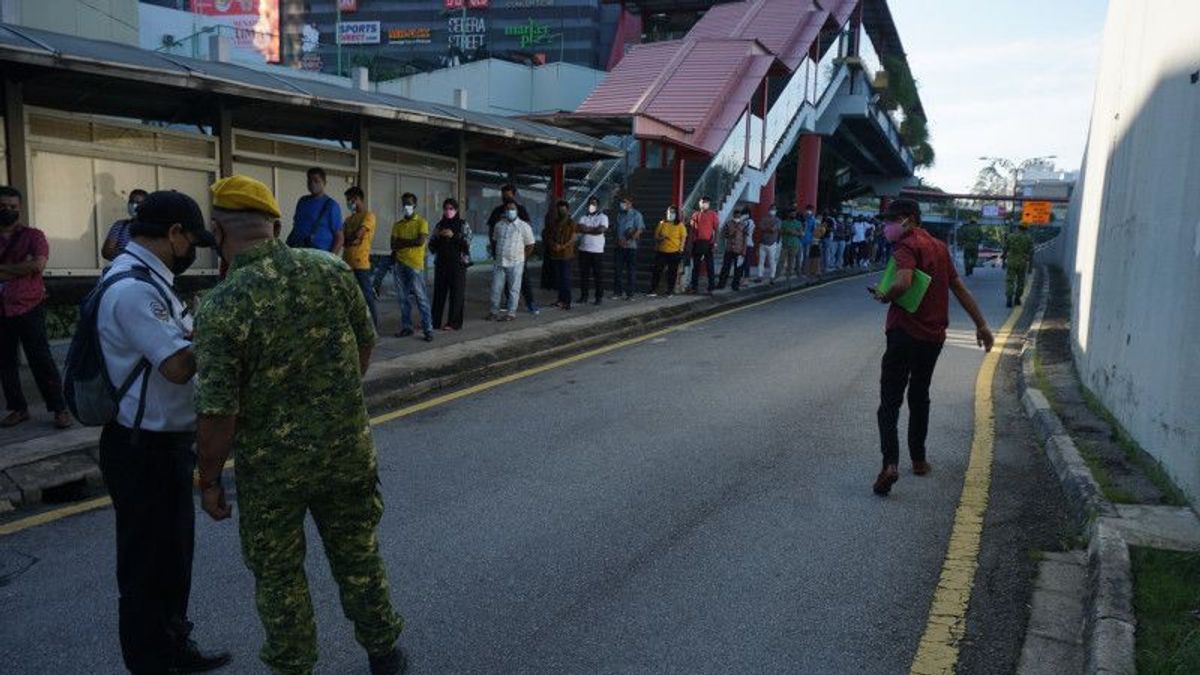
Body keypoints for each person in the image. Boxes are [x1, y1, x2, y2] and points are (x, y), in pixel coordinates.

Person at [194, 175, 407, 675]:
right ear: (275, 224)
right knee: (359, 555)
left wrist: (208, 482)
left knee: (278, 575)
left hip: (272, 473)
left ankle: (294, 665)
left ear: (218, 231)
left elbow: (218, 413)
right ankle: (384, 653)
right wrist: (334, 396)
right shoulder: (330, 270)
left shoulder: (221, 306)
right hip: (345, 453)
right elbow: (366, 340)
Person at [94, 190, 231, 675]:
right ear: (174, 234)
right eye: (191, 240)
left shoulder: (155, 281)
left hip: (167, 445)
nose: (192, 249)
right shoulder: (133, 289)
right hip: (140, 449)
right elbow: (176, 366)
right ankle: (151, 665)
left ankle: (175, 646)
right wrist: (220, 327)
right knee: (144, 569)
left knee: (174, 559)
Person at [867, 199, 994, 497]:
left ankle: (890, 464)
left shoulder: (907, 246)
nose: (887, 226)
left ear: (909, 219)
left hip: (903, 333)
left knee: (890, 402)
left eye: (892, 220)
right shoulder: (938, 246)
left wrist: (886, 295)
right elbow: (959, 287)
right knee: (920, 394)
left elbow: (903, 281)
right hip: (933, 336)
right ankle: (919, 460)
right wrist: (981, 325)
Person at [0, 186, 71, 430]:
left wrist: (9, 269)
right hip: (1, 309)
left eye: (13, 207)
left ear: (20, 209)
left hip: (29, 305)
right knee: (5, 361)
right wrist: (22, 266)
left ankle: (59, 408)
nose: (8, 211)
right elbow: (28, 266)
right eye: (3, 206)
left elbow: (38, 265)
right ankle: (18, 408)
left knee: (41, 359)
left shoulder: (33, 236)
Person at [486, 185, 538, 315]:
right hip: (500, 254)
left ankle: (530, 302)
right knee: (500, 283)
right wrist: (493, 249)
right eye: (503, 195)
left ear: (513, 195)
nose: (506, 197)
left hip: (518, 255)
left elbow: (527, 233)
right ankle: (508, 303)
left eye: (508, 195)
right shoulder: (497, 211)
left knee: (522, 280)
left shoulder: (521, 210)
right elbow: (492, 231)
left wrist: (524, 256)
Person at [391, 193, 434, 342]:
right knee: (403, 299)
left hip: (415, 265)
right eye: (404, 203)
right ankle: (407, 327)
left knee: (421, 298)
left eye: (409, 203)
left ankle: (428, 329)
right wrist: (410, 241)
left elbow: (420, 242)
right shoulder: (397, 224)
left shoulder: (422, 222)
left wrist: (401, 242)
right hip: (399, 264)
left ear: (415, 205)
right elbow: (393, 245)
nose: (406, 206)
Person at [429, 198, 470, 331]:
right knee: (439, 293)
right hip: (441, 264)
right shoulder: (440, 225)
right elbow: (431, 245)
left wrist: (454, 236)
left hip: (458, 265)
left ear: (456, 210)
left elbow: (468, 244)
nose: (448, 211)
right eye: (446, 208)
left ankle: (454, 323)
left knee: (457, 293)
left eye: (451, 209)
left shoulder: (463, 225)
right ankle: (435, 321)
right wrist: (441, 236)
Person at [343, 186, 379, 328]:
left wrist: (351, 237)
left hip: (361, 264)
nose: (349, 203)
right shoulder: (348, 219)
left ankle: (373, 328)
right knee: (351, 298)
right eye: (347, 200)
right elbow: (344, 239)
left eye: (351, 200)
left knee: (367, 297)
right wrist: (351, 238)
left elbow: (359, 235)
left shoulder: (368, 216)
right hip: (347, 263)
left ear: (359, 199)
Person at [288, 167, 343, 254]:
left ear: (324, 183)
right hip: (297, 252)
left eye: (316, 181)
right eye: (309, 181)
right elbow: (296, 226)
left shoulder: (331, 205)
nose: (312, 184)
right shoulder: (302, 201)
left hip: (320, 257)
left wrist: (331, 261)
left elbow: (339, 238)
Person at [543, 200, 577, 310]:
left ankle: (567, 302)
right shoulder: (555, 223)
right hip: (555, 255)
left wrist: (562, 246)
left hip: (566, 255)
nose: (561, 211)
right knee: (559, 279)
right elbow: (549, 236)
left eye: (563, 209)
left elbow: (573, 238)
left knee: (565, 279)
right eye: (560, 209)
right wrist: (553, 245)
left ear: (567, 210)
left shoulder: (571, 223)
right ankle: (560, 300)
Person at [648, 205, 686, 297]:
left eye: (673, 212)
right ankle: (653, 290)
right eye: (669, 212)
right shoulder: (662, 223)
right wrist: (661, 238)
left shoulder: (680, 225)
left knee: (672, 272)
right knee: (657, 271)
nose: (671, 214)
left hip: (674, 251)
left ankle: (669, 291)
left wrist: (681, 249)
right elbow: (656, 236)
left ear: (676, 214)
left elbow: (683, 237)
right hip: (662, 251)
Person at [576, 196, 608, 305]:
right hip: (583, 250)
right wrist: (593, 229)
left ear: (598, 205)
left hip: (597, 251)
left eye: (594, 203)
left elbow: (601, 230)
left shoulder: (603, 217)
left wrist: (587, 230)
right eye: (590, 203)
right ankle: (584, 296)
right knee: (584, 275)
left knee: (598, 275)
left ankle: (598, 297)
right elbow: (580, 228)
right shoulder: (583, 217)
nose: (592, 205)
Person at [102, 188, 148, 262]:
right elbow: (106, 253)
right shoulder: (120, 225)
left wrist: (121, 251)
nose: (134, 205)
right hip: (121, 269)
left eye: (138, 202)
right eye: (131, 202)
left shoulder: (151, 227)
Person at [612, 195, 644, 301]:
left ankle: (630, 294)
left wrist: (628, 240)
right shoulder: (619, 215)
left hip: (631, 247)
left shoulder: (636, 214)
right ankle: (617, 292)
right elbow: (616, 230)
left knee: (630, 271)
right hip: (619, 246)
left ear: (630, 203)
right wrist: (618, 240)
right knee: (617, 270)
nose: (622, 204)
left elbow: (639, 230)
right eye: (622, 202)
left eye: (624, 202)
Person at [687, 196, 719, 294]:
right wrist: (690, 243)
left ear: (709, 204)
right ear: (699, 203)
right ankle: (694, 287)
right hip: (697, 243)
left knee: (710, 267)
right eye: (702, 202)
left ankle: (711, 288)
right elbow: (692, 230)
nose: (704, 204)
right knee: (696, 267)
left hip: (709, 243)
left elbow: (717, 230)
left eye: (706, 202)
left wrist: (715, 243)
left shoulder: (713, 214)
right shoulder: (695, 214)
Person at [1003, 221, 1034, 307]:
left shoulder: (1010, 236)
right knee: (1020, 281)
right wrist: (1030, 267)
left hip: (1011, 261)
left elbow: (1005, 249)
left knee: (1010, 281)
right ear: (1026, 229)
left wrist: (1003, 261)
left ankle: (1009, 298)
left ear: (1018, 227)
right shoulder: (1028, 238)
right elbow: (1031, 253)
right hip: (1022, 262)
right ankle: (1017, 298)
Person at [717, 207, 749, 291]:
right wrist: (732, 233)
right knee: (725, 267)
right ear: (733, 215)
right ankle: (721, 284)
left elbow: (745, 239)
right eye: (736, 216)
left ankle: (735, 285)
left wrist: (744, 250)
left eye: (738, 216)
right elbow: (724, 235)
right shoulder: (728, 224)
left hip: (739, 250)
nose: (737, 218)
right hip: (729, 249)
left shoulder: (744, 225)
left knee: (738, 269)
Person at [755, 205, 781, 284]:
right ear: (769, 210)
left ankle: (772, 277)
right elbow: (761, 228)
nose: (772, 210)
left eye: (774, 209)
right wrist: (770, 228)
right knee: (761, 261)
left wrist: (767, 228)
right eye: (771, 209)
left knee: (772, 261)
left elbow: (773, 230)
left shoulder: (778, 220)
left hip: (772, 243)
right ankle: (759, 276)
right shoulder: (764, 218)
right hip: (763, 243)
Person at [779, 209, 802, 279]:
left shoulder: (798, 223)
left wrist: (794, 232)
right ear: (788, 214)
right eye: (792, 214)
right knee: (781, 260)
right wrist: (786, 231)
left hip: (794, 245)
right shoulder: (784, 223)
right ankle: (777, 275)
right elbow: (780, 232)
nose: (793, 215)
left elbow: (801, 233)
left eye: (794, 214)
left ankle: (788, 276)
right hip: (785, 244)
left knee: (791, 261)